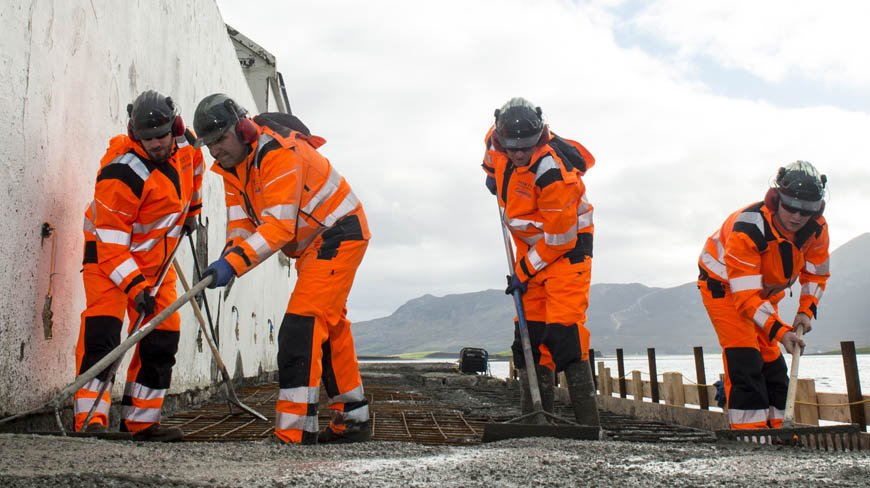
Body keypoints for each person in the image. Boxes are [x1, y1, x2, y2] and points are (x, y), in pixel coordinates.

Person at [193, 94, 371, 445]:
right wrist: (228, 255)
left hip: (338, 233)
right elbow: (242, 223)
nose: (214, 151)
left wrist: (235, 264)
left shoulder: (277, 154)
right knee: (330, 326)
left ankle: (295, 431)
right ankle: (353, 420)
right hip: (311, 245)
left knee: (300, 326)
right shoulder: (232, 168)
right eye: (209, 144)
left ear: (242, 129)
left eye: (219, 140)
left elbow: (278, 227)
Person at [75, 90, 204, 440]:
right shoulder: (121, 174)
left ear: (173, 127)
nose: (156, 145)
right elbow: (111, 245)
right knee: (104, 336)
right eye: (147, 139)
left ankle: (142, 422)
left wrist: (193, 211)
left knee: (163, 336)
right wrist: (135, 288)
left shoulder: (187, 144)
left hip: (155, 264)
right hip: (108, 262)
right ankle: (90, 421)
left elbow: (195, 172)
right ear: (135, 136)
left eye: (161, 136)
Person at [482, 97, 600, 427]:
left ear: (541, 135)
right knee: (529, 335)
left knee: (564, 334)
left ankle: (589, 423)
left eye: (526, 147)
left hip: (567, 252)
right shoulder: (496, 140)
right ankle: (534, 417)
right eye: (512, 147)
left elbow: (560, 240)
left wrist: (523, 270)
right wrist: (491, 174)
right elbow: (489, 155)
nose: (518, 153)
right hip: (532, 249)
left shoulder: (552, 173)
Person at [698, 161, 829, 430]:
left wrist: (806, 310)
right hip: (724, 290)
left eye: (806, 210)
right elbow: (745, 297)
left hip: (766, 295)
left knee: (772, 363)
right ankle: (750, 434)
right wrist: (781, 332)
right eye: (791, 206)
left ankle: (781, 430)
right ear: (776, 198)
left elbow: (815, 274)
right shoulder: (748, 227)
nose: (797, 216)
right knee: (745, 358)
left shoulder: (816, 229)